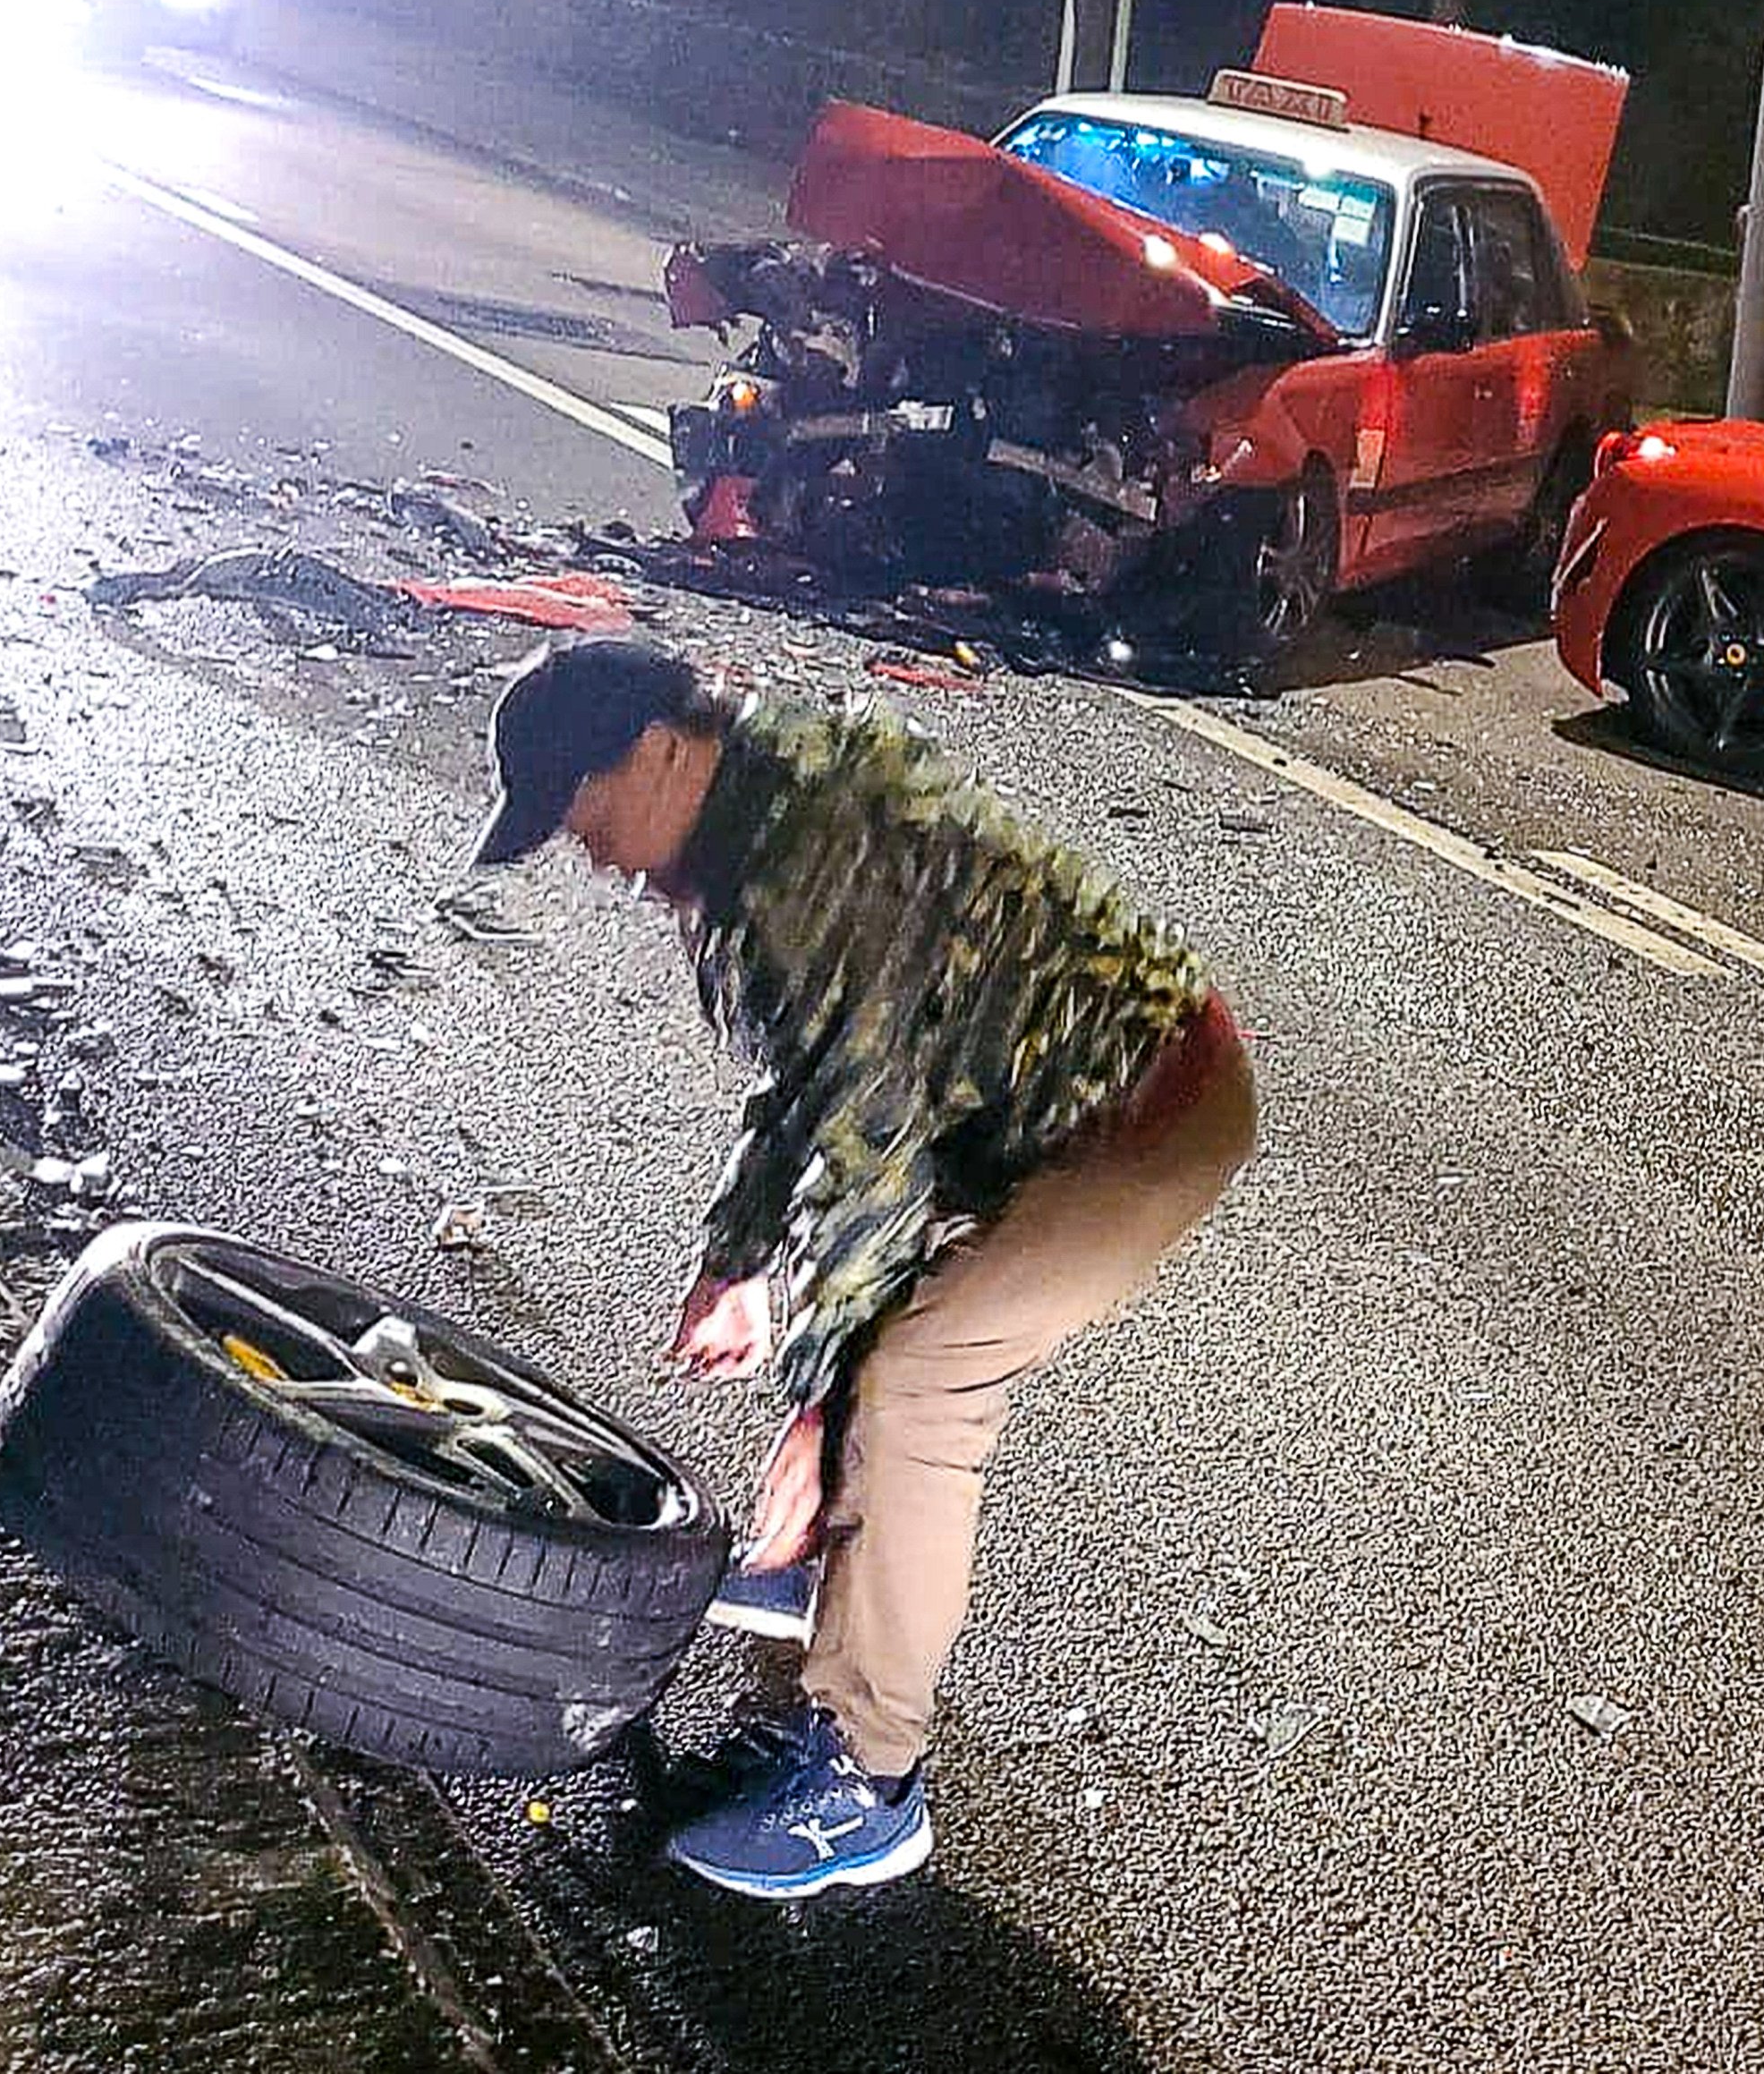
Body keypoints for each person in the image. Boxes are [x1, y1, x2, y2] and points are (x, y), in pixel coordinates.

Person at [471, 640, 1256, 1900]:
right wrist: (738, 1257)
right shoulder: (737, 832)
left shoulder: (809, 860)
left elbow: (872, 1142)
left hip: (1141, 1100)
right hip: (996, 1099)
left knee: (918, 1381)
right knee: (857, 1354)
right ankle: (821, 1561)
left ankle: (866, 1782)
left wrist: (816, 1403)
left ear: (664, 749)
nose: (584, 843)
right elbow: (807, 1082)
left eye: (583, 802)